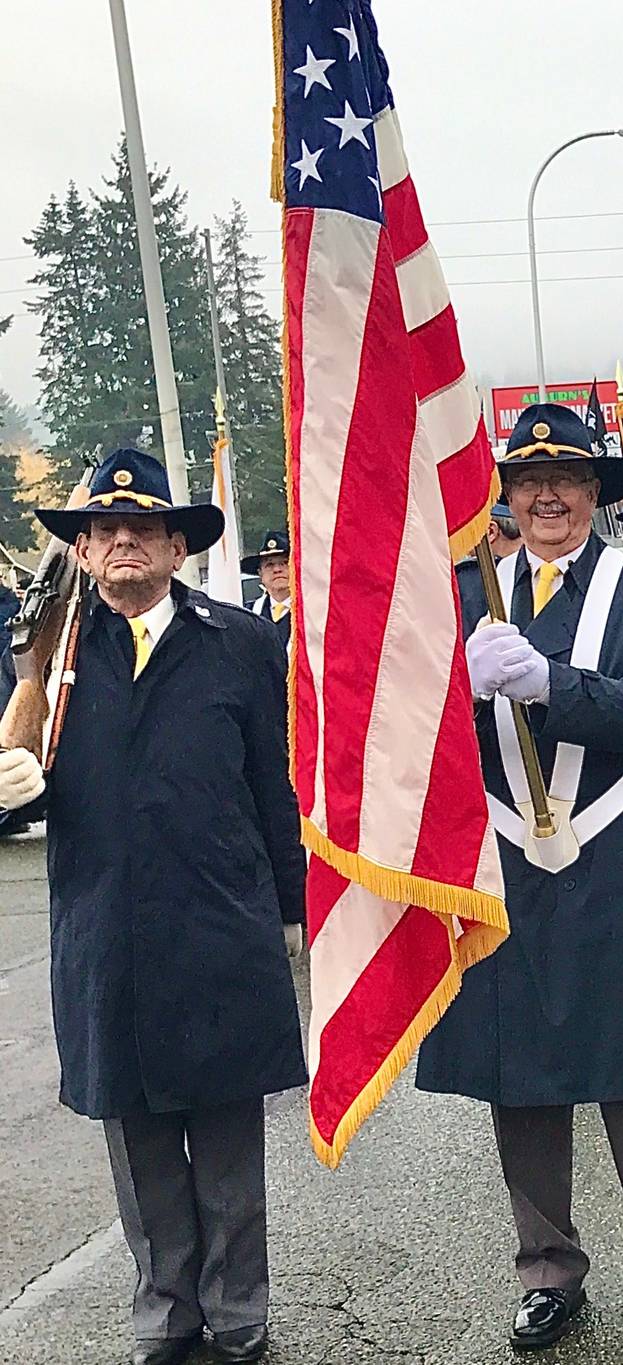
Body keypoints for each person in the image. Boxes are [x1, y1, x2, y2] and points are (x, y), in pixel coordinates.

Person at [417, 404, 623, 1348]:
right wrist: (455, 695)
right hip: (505, 859)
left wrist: (551, 683)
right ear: (504, 494)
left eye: (571, 479)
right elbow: (415, 745)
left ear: (597, 493)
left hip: (618, 847)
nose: (549, 495)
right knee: (523, 1072)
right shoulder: (467, 596)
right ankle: (547, 1269)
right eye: (530, 480)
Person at [0, 448, 303, 1365]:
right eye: (101, 529)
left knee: (223, 1130)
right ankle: (166, 1308)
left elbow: (273, 786)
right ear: (84, 551)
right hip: (105, 929)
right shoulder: (49, 654)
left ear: (178, 545)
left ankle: (237, 1307)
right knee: (136, 1137)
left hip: (219, 921)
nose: (121, 539)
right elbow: (21, 776)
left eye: (141, 528)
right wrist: (8, 787)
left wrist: (295, 910)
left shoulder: (240, 644)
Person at [241, 528, 292, 652]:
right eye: (269, 565)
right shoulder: (248, 614)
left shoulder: (312, 613)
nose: (277, 570)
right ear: (260, 574)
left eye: (284, 563)